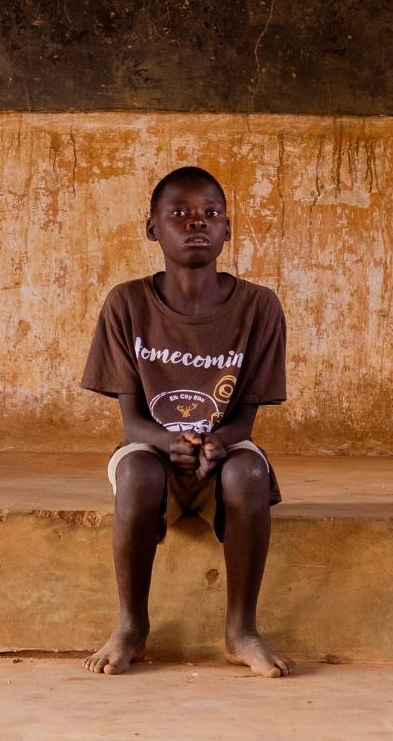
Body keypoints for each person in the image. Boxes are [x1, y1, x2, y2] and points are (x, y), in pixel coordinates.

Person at [79, 165, 294, 677]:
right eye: (180, 214)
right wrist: (167, 441)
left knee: (249, 472)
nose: (197, 223)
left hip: (225, 450)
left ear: (227, 229)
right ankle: (132, 626)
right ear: (152, 227)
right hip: (152, 448)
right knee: (135, 472)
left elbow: (246, 416)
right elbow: (132, 419)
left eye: (211, 214)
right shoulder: (127, 303)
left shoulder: (259, 307)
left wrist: (218, 442)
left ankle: (241, 631)